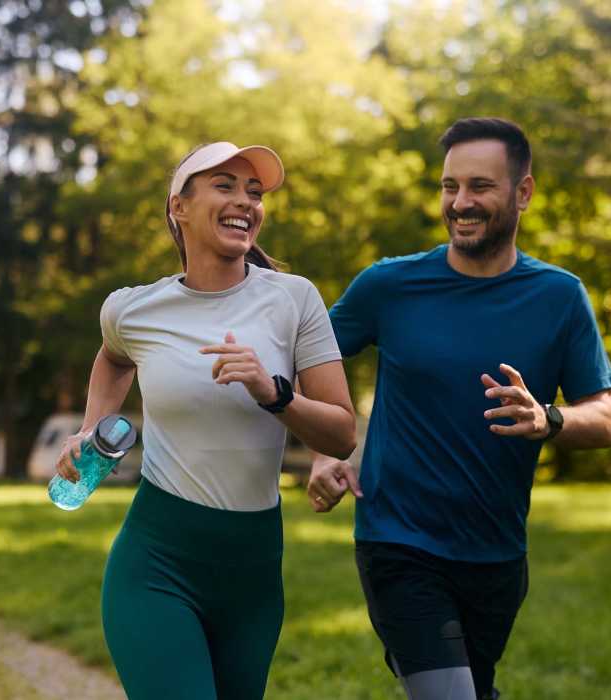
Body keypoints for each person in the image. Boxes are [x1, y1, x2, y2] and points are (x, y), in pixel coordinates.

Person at [308, 117, 611, 700]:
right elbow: (309, 358)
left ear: (523, 192)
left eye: (481, 186)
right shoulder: (389, 286)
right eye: (450, 187)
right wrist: (328, 447)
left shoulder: (559, 296)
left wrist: (547, 419)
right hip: (398, 540)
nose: (461, 202)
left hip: (497, 553)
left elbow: (603, 420)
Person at [55, 142, 357, 700]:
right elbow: (113, 357)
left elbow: (341, 431)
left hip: (253, 571)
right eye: (225, 185)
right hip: (157, 563)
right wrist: (91, 426)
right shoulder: (133, 309)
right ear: (179, 207)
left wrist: (274, 392)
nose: (245, 201)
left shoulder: (295, 301)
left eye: (255, 192)